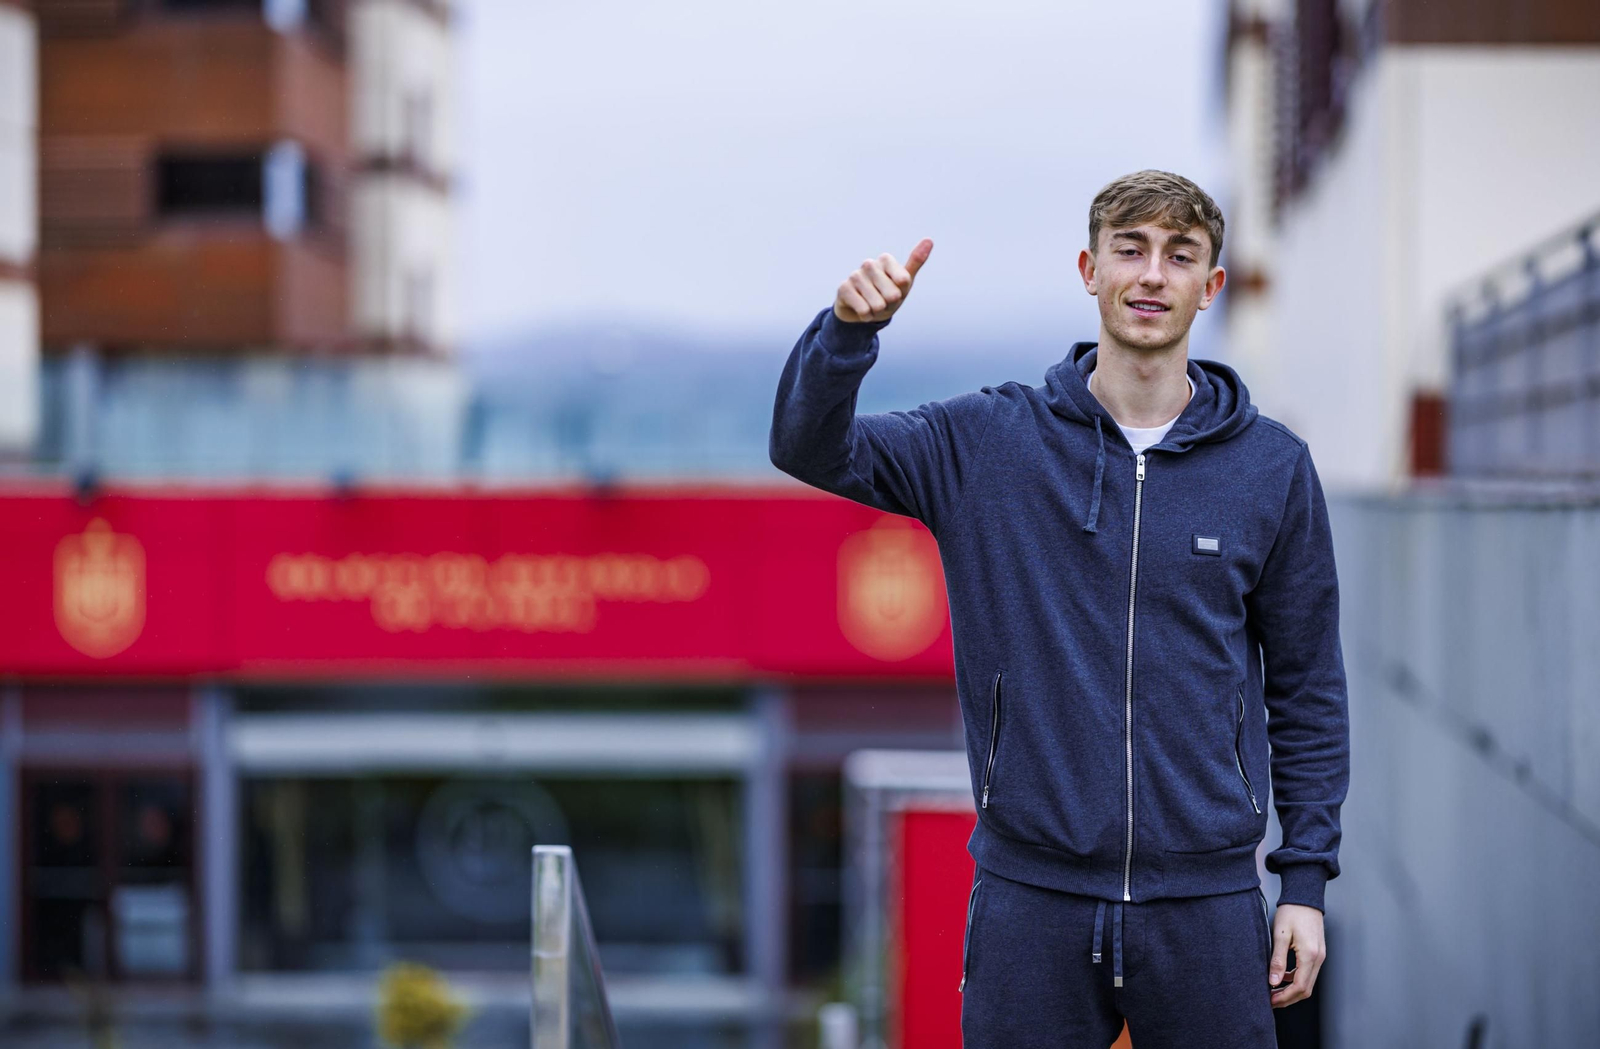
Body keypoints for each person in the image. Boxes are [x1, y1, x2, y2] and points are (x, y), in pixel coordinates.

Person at [768, 169, 1349, 1048]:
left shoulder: (1271, 468)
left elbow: (1307, 688)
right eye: (1130, 249)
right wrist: (848, 333)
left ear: (1210, 286)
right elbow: (809, 446)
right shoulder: (988, 443)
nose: (1151, 274)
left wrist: (1303, 881)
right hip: (1030, 903)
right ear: (1089, 269)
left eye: (1179, 255)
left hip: (1207, 905)